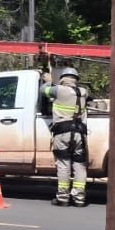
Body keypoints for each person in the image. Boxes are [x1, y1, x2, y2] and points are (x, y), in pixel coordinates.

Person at [43, 66, 91, 207]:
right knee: (80, 166)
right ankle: (79, 198)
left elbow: (43, 91)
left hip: (62, 134)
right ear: (76, 79)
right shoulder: (83, 92)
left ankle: (63, 197)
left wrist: (48, 80)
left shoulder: (58, 90)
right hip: (80, 135)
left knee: (64, 165)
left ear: (63, 78)